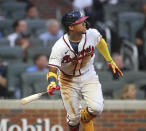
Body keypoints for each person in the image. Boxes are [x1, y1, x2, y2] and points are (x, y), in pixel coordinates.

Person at [46, 10, 123, 131]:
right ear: (71, 27)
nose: (85, 23)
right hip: (68, 80)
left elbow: (101, 42)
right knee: (73, 119)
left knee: (97, 108)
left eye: (84, 20)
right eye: (80, 22)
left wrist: (110, 61)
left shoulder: (92, 34)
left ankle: (85, 118)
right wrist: (52, 82)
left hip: (88, 75)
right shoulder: (59, 46)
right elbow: (52, 69)